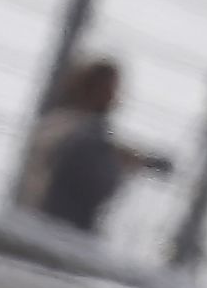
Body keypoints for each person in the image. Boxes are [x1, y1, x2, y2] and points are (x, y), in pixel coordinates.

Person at [16, 57, 174, 234]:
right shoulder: (85, 134)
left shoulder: (56, 123)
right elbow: (95, 173)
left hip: (30, 224)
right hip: (56, 230)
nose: (115, 97)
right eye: (111, 88)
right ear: (95, 88)